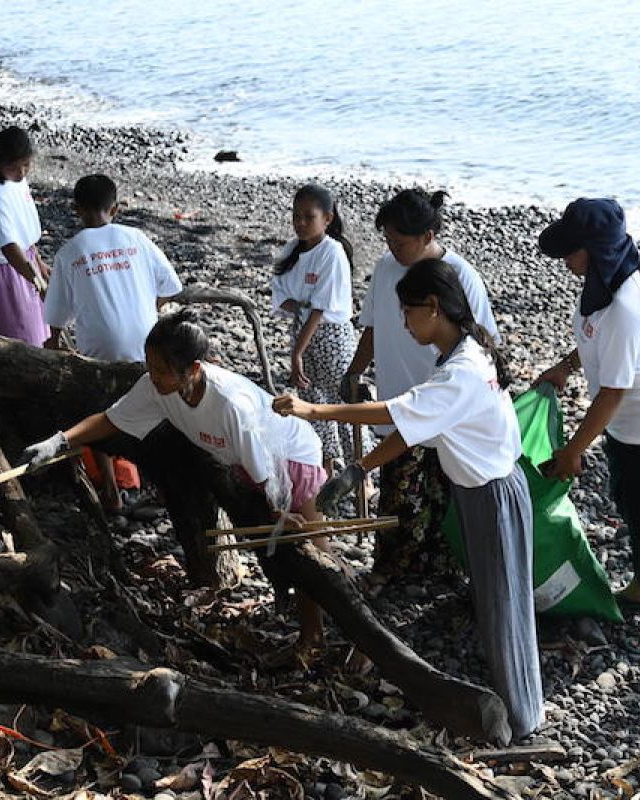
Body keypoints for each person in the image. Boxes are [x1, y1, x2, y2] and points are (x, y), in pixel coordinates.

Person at [273, 258, 543, 741]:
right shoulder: (464, 353)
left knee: (505, 606)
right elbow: (412, 427)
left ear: (433, 308)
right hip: (488, 491)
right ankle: (511, 701)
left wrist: (313, 409)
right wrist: (360, 470)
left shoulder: (461, 372)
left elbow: (390, 411)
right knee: (496, 601)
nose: (402, 322)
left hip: (493, 496)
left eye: (407, 312)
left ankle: (522, 721)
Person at [22, 312, 332, 651]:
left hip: (289, 458)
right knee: (292, 547)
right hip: (249, 466)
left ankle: (320, 632)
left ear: (194, 370)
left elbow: (260, 460)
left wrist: (278, 511)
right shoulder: (156, 388)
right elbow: (111, 420)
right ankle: (312, 631)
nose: (152, 377)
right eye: (150, 366)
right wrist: (59, 441)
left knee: (308, 548)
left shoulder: (228, 403)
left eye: (162, 371)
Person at [535, 197, 640, 659]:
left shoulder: (628, 302)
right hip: (627, 421)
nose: (566, 259)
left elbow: (613, 390)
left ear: (597, 249)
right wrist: (565, 368)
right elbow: (594, 345)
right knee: (632, 503)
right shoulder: (600, 285)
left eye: (571, 249)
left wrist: (573, 449)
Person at [343, 188, 498, 578]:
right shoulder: (385, 268)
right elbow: (374, 328)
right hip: (399, 406)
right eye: (388, 241)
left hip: (447, 412)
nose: (393, 249)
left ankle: (446, 574)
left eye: (400, 242)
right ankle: (394, 573)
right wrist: (354, 371)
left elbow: (484, 344)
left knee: (445, 498)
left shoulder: (460, 276)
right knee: (398, 500)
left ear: (428, 236)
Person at [43, 173, 183, 510]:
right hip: (146, 346)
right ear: (115, 208)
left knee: (98, 409)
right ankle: (164, 487)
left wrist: (54, 345)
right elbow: (171, 287)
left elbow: (56, 318)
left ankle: (110, 489)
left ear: (76, 210)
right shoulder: (136, 238)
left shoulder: (69, 253)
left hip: (100, 348)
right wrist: (148, 308)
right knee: (157, 409)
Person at [270, 184, 360, 474]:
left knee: (344, 404)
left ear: (328, 219)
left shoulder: (331, 253)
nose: (300, 223)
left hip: (331, 337)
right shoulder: (292, 251)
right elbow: (282, 295)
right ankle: (325, 466)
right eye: (296, 216)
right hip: (304, 331)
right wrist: (302, 309)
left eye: (308, 217)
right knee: (312, 401)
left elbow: (320, 309)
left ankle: (363, 471)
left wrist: (297, 352)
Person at [0, 126, 50, 347]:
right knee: (21, 337)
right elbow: (8, 246)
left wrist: (39, 263)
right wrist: (37, 281)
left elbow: (22, 232)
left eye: (26, 165)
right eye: (14, 167)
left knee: (41, 330)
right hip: (5, 270)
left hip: (26, 261)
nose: (22, 172)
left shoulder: (16, 181)